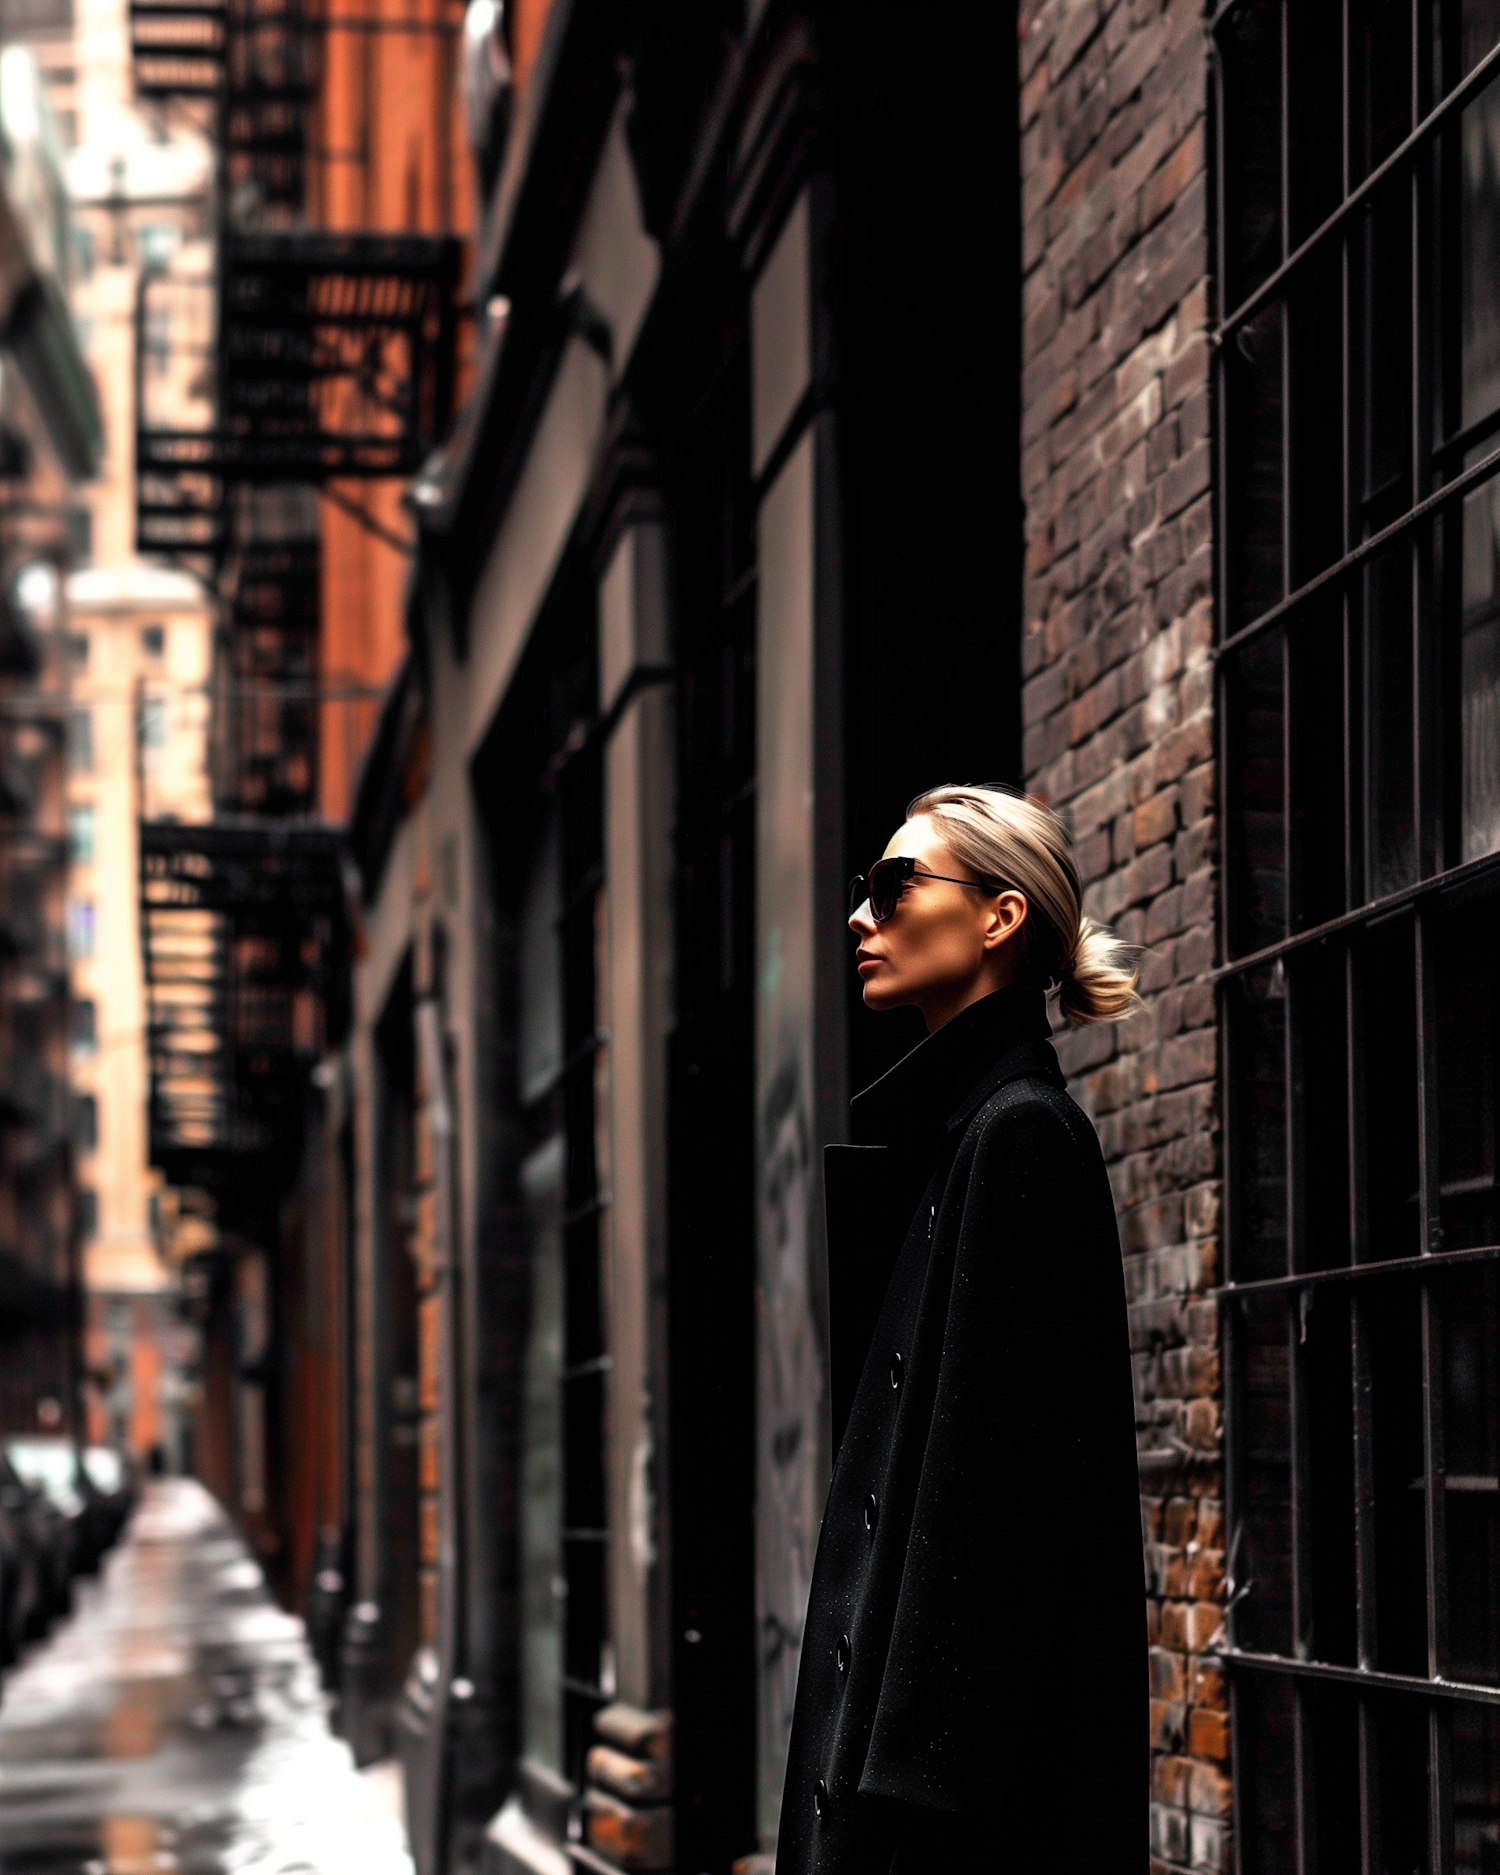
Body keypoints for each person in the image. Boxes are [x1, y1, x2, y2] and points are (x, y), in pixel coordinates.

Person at [775, 783, 1146, 1872]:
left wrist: (905, 1816)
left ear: (999, 916)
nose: (861, 917)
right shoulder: (966, 1138)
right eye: (862, 893)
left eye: (894, 888)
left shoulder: (1020, 1137)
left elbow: (995, 1522)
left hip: (941, 1823)